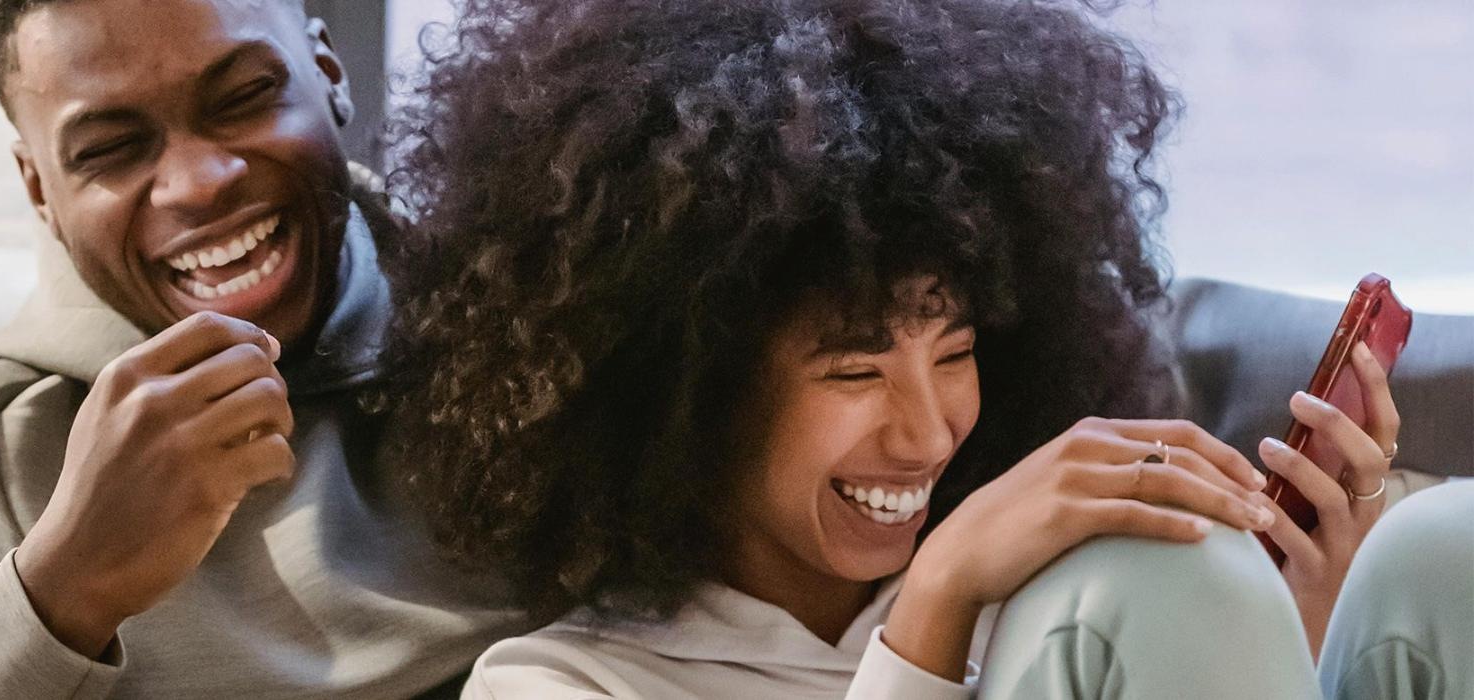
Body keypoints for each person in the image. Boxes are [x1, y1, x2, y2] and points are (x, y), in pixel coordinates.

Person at [379, 0, 1424, 696]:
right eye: (855, 369)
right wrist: (933, 611)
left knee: (1438, 550)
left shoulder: (1038, 582)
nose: (929, 430)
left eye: (956, 348)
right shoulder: (561, 686)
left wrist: (1305, 631)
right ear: (683, 390)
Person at [0, 0, 519, 697]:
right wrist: (62, 590)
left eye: (244, 96)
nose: (199, 182)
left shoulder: (533, 318)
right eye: (108, 148)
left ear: (328, 71)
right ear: (41, 190)